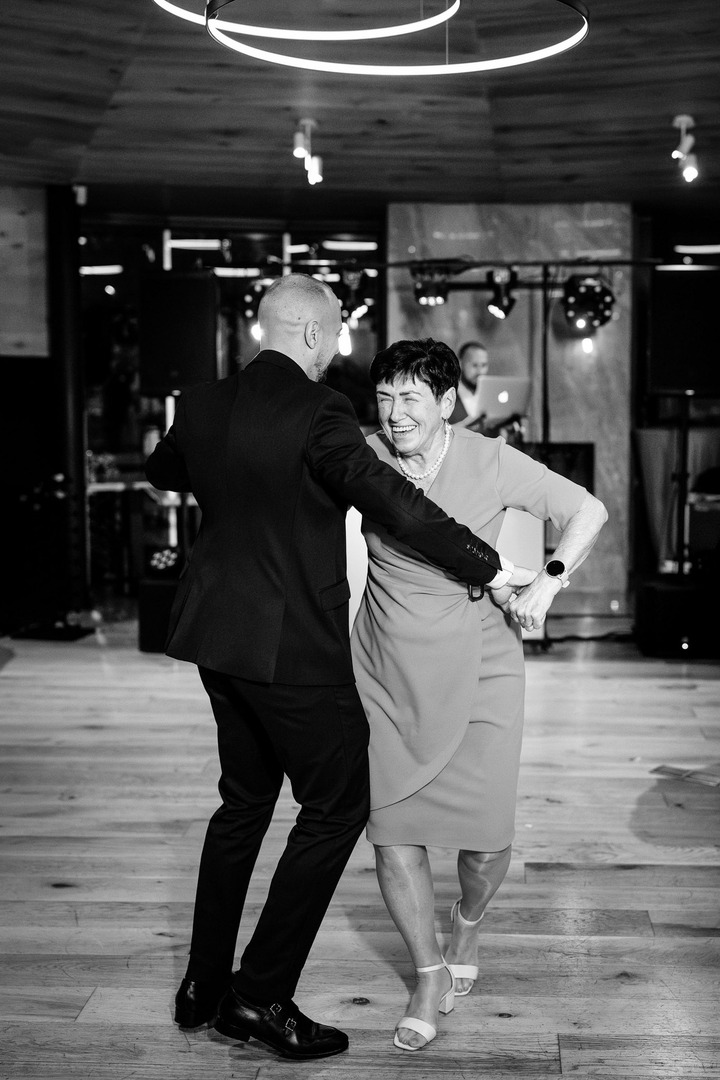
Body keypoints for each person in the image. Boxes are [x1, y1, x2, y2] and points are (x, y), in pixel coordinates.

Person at [144, 276, 534, 1062]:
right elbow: (393, 502)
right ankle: (256, 997)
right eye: (337, 340)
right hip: (292, 649)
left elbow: (164, 471)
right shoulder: (320, 412)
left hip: (214, 641)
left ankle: (201, 985)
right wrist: (489, 566)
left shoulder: (202, 402)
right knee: (336, 805)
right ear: (316, 336)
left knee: (243, 804)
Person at [351, 338, 607, 1052]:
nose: (395, 414)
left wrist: (550, 579)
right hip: (387, 664)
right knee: (392, 828)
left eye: (410, 398)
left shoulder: (489, 459)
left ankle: (467, 921)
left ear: (445, 402)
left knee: (487, 840)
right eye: (385, 397)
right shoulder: (361, 454)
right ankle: (429, 971)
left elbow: (586, 508)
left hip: (483, 660)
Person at [448, 341, 489, 427]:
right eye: (474, 365)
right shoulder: (447, 395)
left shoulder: (491, 395)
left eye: (484, 365)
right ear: (460, 363)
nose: (480, 371)